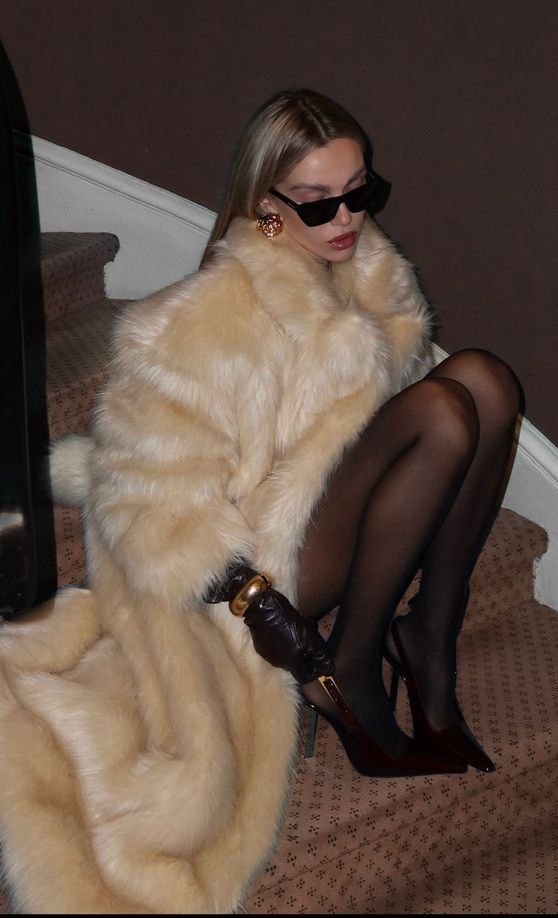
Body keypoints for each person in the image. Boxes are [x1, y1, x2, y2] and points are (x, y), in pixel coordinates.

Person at [0, 88, 522, 914]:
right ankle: (354, 665)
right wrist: (264, 608)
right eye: (319, 203)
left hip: (320, 513)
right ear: (266, 207)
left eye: (360, 192)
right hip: (246, 577)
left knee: (486, 381)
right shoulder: (195, 325)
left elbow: (371, 429)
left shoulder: (372, 282)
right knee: (444, 415)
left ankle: (429, 635)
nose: (347, 220)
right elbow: (147, 519)